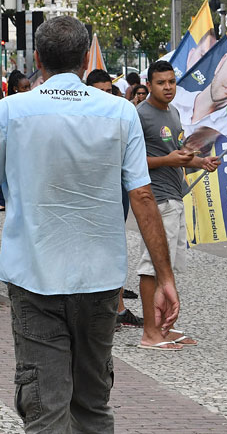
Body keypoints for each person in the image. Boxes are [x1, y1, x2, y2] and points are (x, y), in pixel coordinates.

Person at [0, 15, 180, 432]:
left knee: (45, 407)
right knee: (93, 404)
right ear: (84, 60)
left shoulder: (10, 111)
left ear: (38, 58)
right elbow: (143, 196)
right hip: (99, 281)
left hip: (34, 278)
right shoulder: (120, 113)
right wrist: (165, 276)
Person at [136, 60, 220, 350]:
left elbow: (176, 154)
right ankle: (149, 332)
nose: (168, 87)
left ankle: (161, 327)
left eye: (172, 81)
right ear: (149, 85)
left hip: (175, 195)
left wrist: (199, 162)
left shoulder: (172, 113)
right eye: (161, 82)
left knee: (167, 266)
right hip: (155, 200)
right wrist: (168, 161)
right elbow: (132, 161)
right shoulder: (141, 115)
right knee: (152, 266)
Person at [86, 68, 144, 326]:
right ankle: (109, 310)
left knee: (114, 244)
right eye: (100, 92)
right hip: (91, 195)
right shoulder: (81, 122)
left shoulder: (121, 117)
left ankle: (116, 306)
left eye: (109, 92)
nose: (106, 98)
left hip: (116, 190)